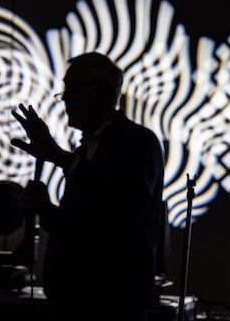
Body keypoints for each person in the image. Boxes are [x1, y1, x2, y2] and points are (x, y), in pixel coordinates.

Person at [11, 52, 164, 320]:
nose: (66, 99)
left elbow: (130, 202)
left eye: (74, 89)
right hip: (73, 300)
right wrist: (46, 210)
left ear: (105, 93)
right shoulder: (84, 149)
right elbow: (84, 226)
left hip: (112, 302)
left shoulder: (139, 142)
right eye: (65, 90)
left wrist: (60, 157)